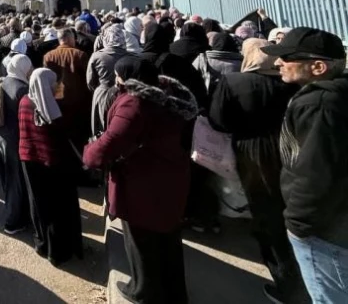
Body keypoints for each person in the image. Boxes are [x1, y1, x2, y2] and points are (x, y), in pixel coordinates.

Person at [84, 58, 197, 304]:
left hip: (141, 184)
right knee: (167, 239)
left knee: (141, 243)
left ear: (128, 77)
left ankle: (143, 291)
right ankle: (174, 293)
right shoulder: (168, 95)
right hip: (171, 177)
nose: (115, 79)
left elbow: (110, 143)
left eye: (118, 74)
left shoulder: (134, 103)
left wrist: (89, 152)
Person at [209, 38, 309, 304]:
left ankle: (288, 285)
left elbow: (218, 121)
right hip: (292, 150)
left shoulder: (234, 82)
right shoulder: (291, 83)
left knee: (267, 214)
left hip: (252, 152)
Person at [263, 28, 348, 304]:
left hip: (322, 232)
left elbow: (317, 175)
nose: (278, 63)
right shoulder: (332, 96)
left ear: (318, 66)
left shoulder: (320, 104)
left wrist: (298, 224)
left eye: (286, 57)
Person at [19, 68, 83, 265]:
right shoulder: (53, 107)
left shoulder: (24, 101)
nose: (57, 86)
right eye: (54, 83)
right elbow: (63, 131)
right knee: (59, 207)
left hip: (29, 159)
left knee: (38, 203)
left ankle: (42, 243)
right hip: (53, 162)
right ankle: (58, 252)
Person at [0, 54, 33, 235]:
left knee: (8, 179)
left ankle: (14, 210)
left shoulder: (2, 81)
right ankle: (13, 221)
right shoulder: (22, 89)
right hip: (13, 140)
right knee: (15, 181)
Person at [43, 28, 90, 155]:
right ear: (69, 39)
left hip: (58, 100)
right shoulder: (80, 54)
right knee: (79, 137)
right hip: (78, 100)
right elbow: (88, 79)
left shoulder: (48, 56)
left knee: (63, 137)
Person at [87, 23, 134, 136]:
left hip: (102, 93)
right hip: (124, 94)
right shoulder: (130, 56)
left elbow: (90, 81)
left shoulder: (97, 56)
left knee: (102, 128)